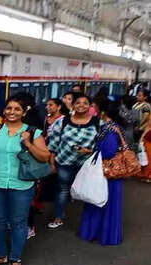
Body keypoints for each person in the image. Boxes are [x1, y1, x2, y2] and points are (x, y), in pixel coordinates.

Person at [0, 96, 50, 265]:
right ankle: (1, 255)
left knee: (18, 222)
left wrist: (27, 143)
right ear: (4, 110)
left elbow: (45, 157)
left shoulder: (33, 132)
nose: (12, 112)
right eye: (9, 108)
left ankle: (15, 258)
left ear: (24, 112)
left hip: (21, 185)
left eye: (17, 109)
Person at [47, 93, 99, 229]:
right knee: (63, 189)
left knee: (88, 191)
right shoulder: (62, 122)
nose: (81, 105)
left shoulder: (97, 122)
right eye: (78, 103)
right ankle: (58, 217)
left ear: (90, 106)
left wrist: (89, 151)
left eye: (85, 103)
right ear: (73, 105)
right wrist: (51, 163)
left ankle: (89, 222)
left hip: (87, 164)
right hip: (64, 162)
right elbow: (53, 144)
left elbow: (102, 144)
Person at [78, 98, 125, 245]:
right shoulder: (114, 127)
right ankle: (105, 234)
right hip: (111, 173)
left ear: (103, 112)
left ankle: (95, 233)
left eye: (96, 108)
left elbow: (109, 152)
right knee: (107, 205)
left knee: (99, 200)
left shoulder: (109, 129)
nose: (94, 111)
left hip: (106, 173)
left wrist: (90, 151)